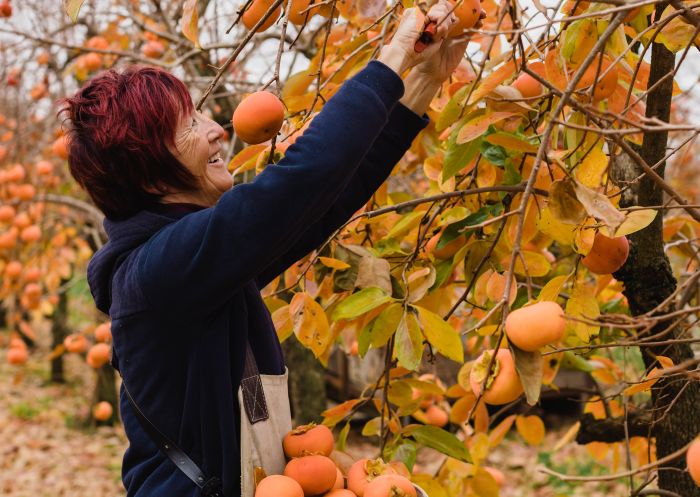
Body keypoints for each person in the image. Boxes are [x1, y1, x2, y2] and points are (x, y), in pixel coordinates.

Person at [60, 2, 475, 496]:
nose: (216, 129)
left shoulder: (202, 266)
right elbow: (301, 180)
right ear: (149, 175)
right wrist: (394, 56)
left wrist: (423, 81)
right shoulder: (160, 272)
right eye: (189, 126)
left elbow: (324, 202)